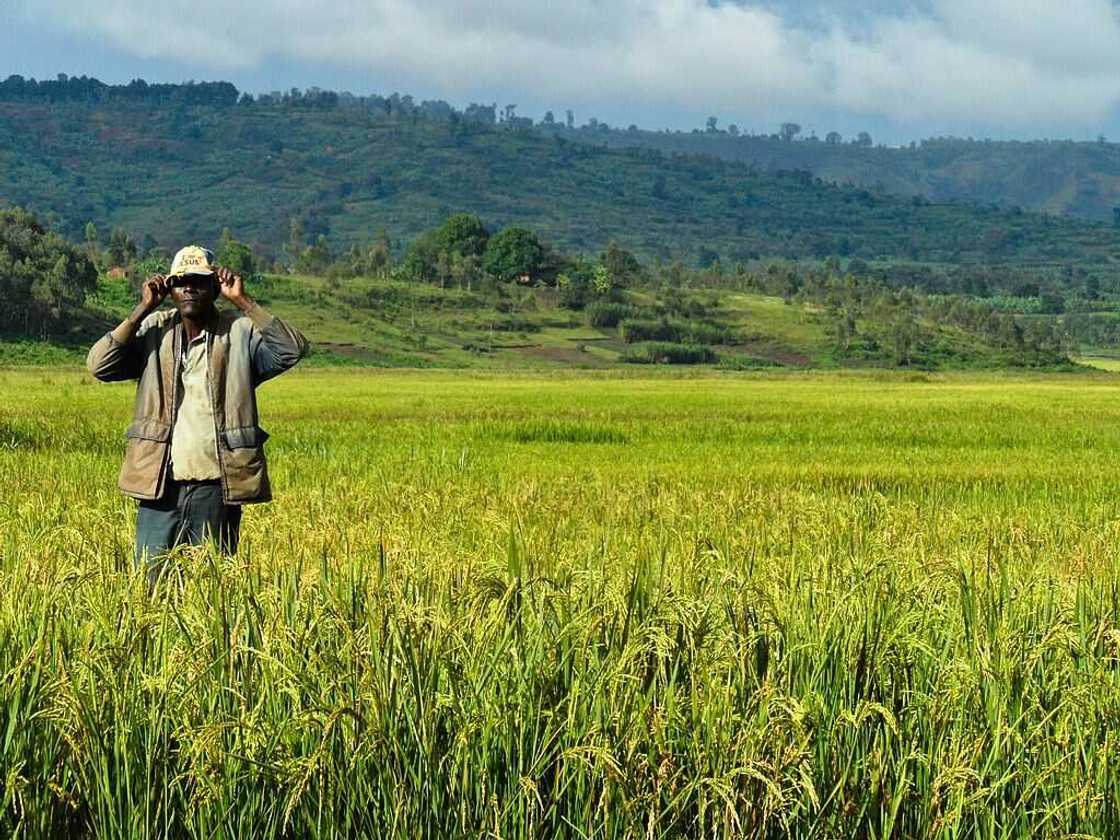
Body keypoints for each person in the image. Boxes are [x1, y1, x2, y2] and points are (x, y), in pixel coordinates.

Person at [87, 245, 309, 584]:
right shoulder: (154, 332)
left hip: (216, 487)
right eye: (181, 282)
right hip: (159, 486)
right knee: (151, 587)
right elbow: (99, 364)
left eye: (199, 281)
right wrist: (142, 308)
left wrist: (244, 302)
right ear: (170, 289)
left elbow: (292, 349)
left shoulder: (239, 333)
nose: (189, 288)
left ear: (214, 287)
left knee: (210, 590)